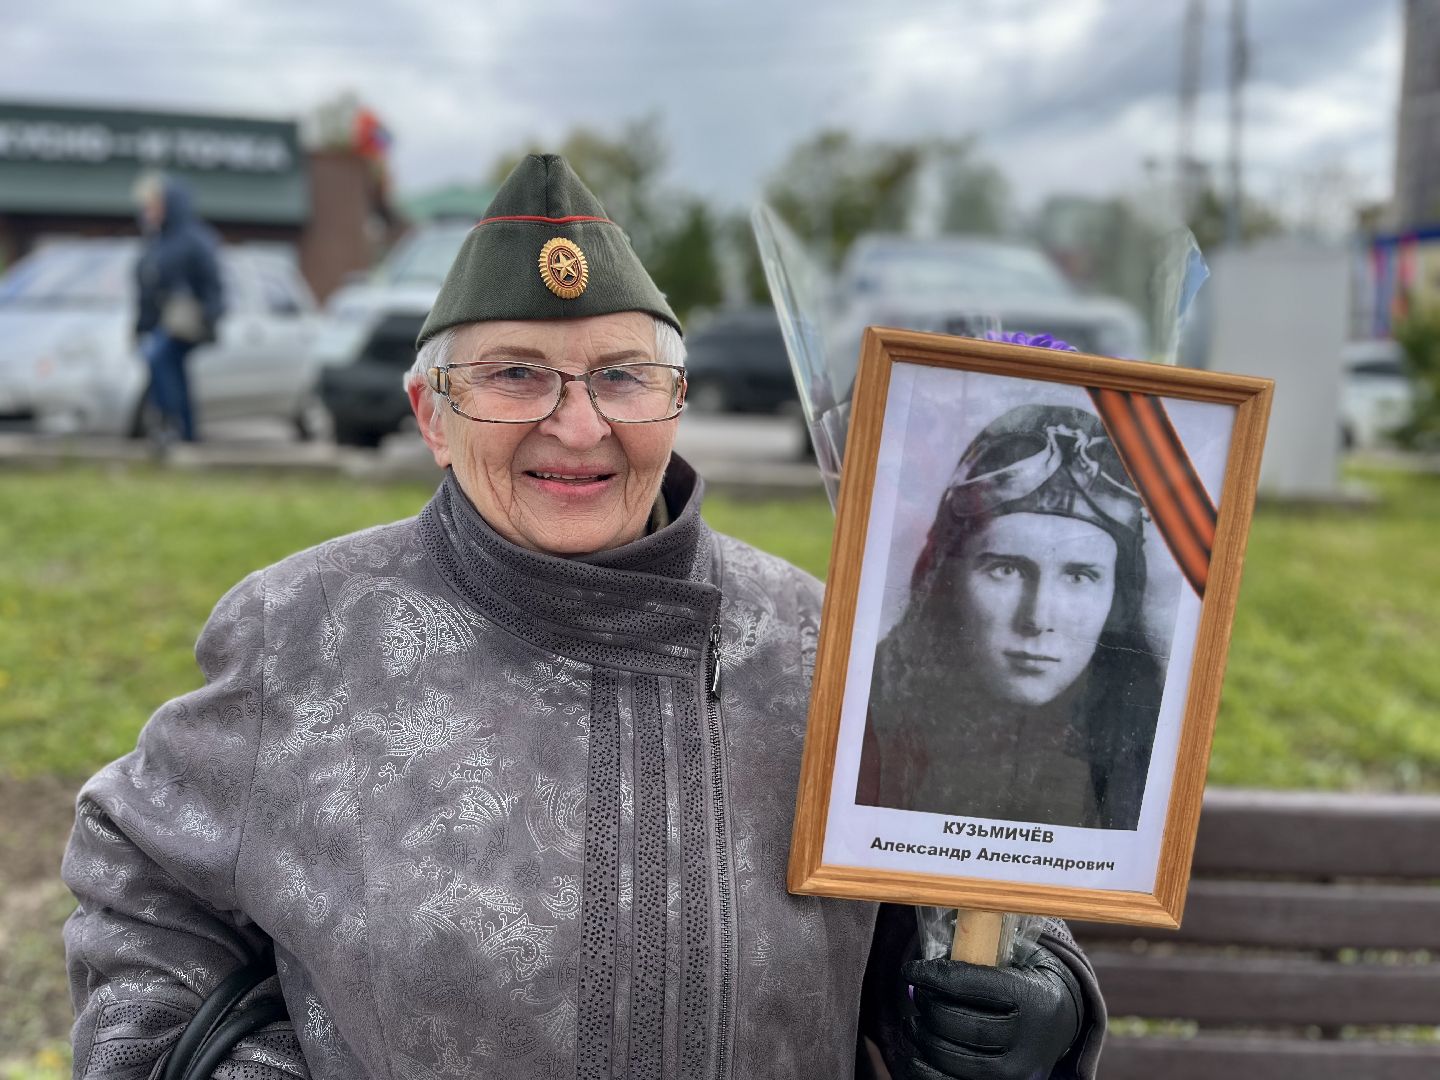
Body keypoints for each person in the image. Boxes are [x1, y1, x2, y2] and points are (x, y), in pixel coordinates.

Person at [64, 155, 1107, 1080]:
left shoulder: (819, 639)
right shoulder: (304, 630)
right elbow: (137, 873)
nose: (578, 424)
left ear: (676, 397)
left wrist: (1034, 1005)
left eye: (621, 376)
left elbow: (963, 878)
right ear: (431, 413)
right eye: (516, 375)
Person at [857, 404, 1164, 830]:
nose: (1037, 618)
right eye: (1007, 569)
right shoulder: (863, 717)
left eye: (1079, 576)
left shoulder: (1155, 744)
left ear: (1119, 597)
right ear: (946, 579)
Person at [133, 173, 225, 443]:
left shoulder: (194, 239)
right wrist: (139, 325)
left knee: (159, 357)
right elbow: (146, 289)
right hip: (164, 321)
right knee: (168, 366)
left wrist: (211, 315)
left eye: (154, 206)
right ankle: (183, 429)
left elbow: (213, 283)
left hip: (187, 321)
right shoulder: (156, 242)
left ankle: (172, 422)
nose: (148, 212)